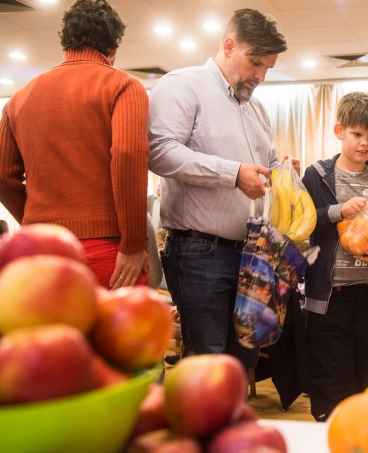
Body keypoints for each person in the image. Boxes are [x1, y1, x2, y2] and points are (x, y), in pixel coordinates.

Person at [147, 8, 290, 373]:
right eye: (255, 63)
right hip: (199, 253)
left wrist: (282, 172)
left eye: (267, 68)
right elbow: (159, 151)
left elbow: (267, 162)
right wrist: (233, 173)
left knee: (243, 363)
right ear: (229, 46)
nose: (260, 75)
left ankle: (235, 430)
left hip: (252, 254)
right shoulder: (183, 85)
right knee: (207, 366)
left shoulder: (256, 109)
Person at [0, 0, 149, 289]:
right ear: (114, 47)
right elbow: (128, 155)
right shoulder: (122, 86)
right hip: (105, 250)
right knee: (115, 335)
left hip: (38, 253)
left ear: (65, 40)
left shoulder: (19, 98)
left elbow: (3, 175)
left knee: (47, 335)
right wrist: (132, 244)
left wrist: (37, 222)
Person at [301, 92, 368, 422]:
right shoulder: (316, 176)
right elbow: (301, 224)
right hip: (329, 301)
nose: (365, 143)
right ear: (339, 130)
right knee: (332, 389)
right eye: (358, 134)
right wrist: (336, 211)